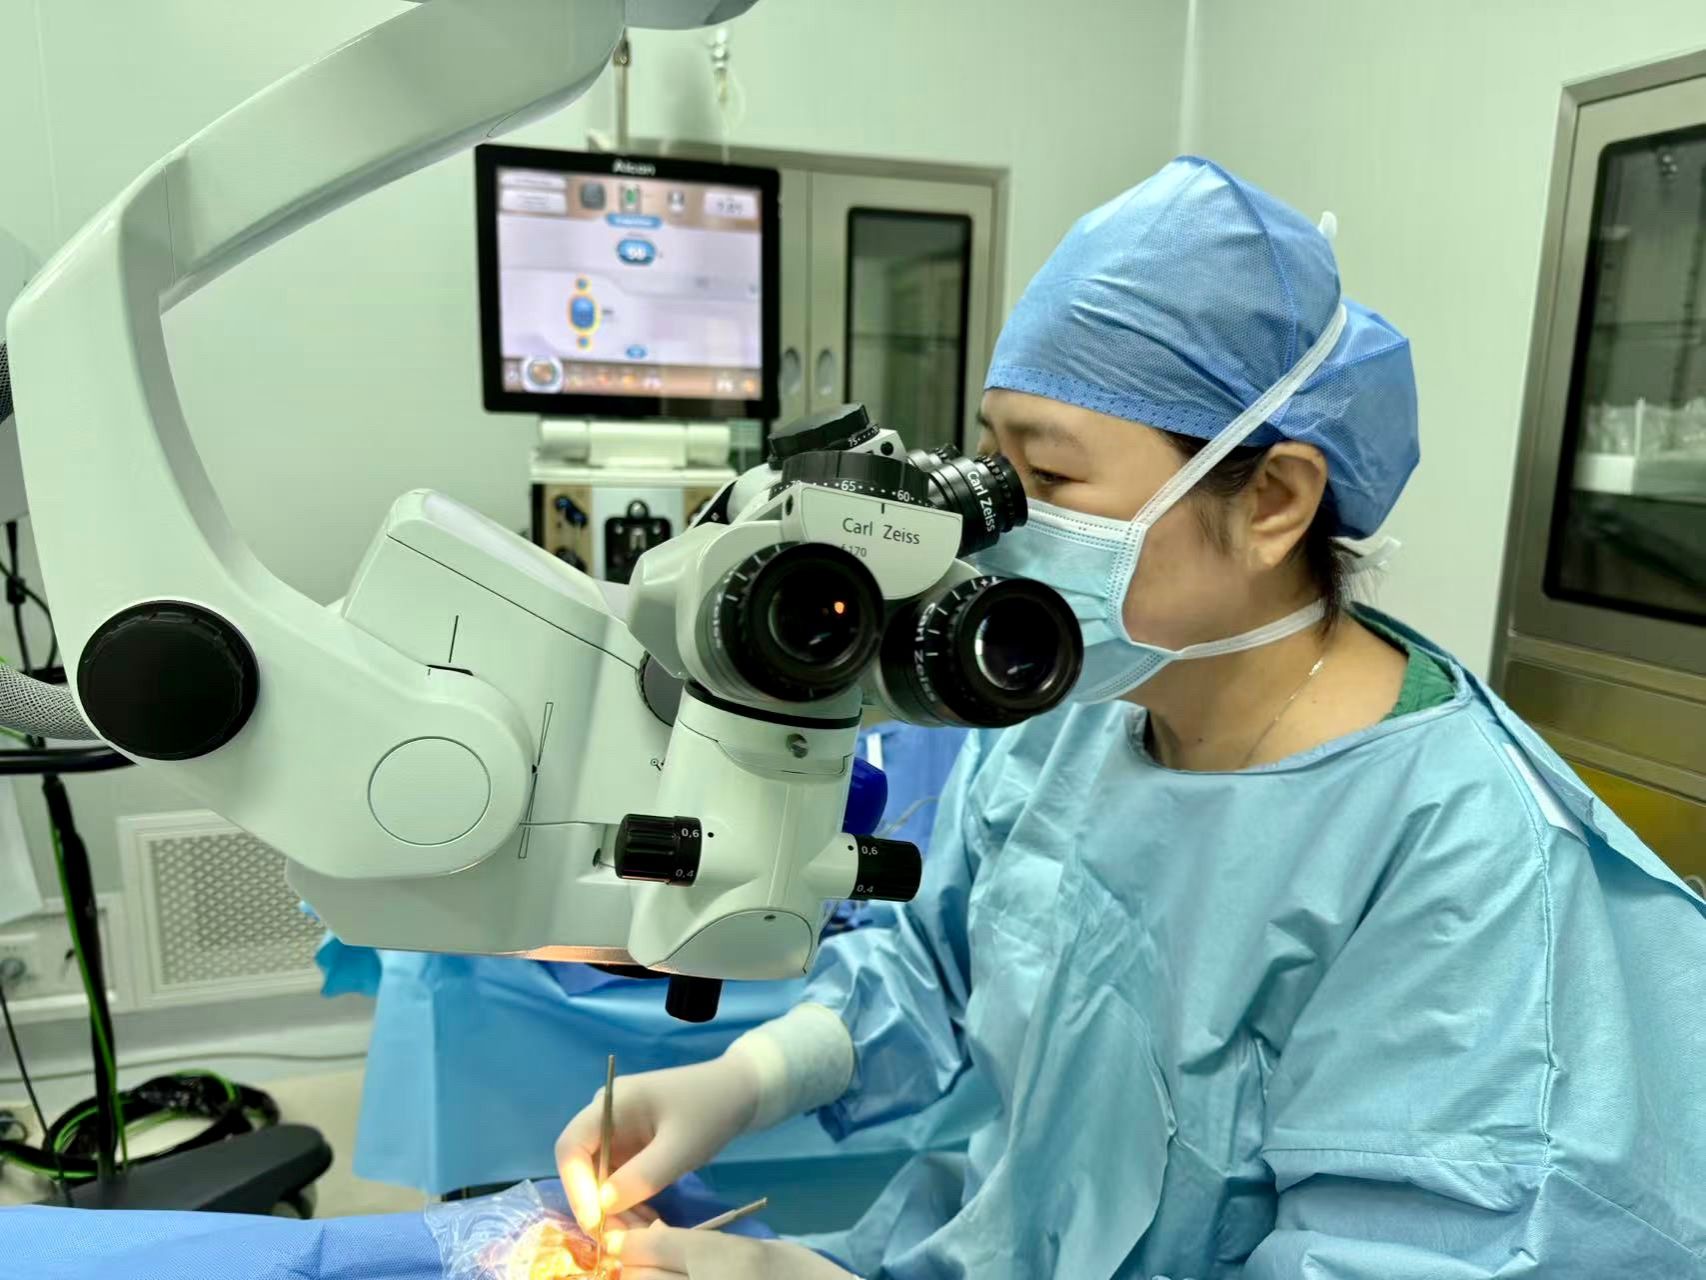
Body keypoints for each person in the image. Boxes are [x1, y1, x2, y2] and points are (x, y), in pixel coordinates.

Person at [557, 157, 1706, 1278]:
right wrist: (748, 1078)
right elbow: (945, 964)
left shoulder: (1461, 869)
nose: (992, 521)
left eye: (1049, 481)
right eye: (989, 460)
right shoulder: (1077, 705)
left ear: (1272, 500)